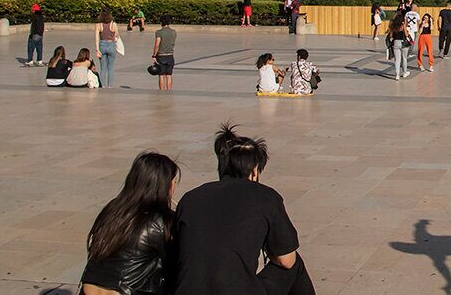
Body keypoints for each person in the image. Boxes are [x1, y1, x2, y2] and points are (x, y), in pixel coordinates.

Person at [173, 124, 314, 294]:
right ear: (254, 170)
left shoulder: (191, 198)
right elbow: (286, 260)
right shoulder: (265, 197)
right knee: (295, 264)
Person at [81, 151, 179, 295]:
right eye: (174, 181)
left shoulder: (113, 209)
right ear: (165, 184)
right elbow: (178, 264)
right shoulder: (161, 221)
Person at [94, 9, 120, 89]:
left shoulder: (99, 25)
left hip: (102, 45)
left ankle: (103, 85)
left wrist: (97, 49)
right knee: (111, 67)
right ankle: (110, 86)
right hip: (111, 45)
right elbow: (117, 35)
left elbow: (96, 38)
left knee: (103, 68)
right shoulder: (113, 24)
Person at [152, 16, 177, 92]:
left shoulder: (159, 32)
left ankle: (162, 92)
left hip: (161, 56)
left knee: (161, 75)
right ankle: (169, 91)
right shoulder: (174, 32)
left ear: (161, 23)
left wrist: (154, 55)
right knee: (169, 75)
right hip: (170, 55)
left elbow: (157, 44)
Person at [385, 12, 410, 80]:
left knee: (397, 60)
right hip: (403, 43)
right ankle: (405, 72)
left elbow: (390, 35)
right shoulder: (403, 25)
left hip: (396, 42)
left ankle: (397, 75)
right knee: (404, 58)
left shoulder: (393, 25)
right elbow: (406, 34)